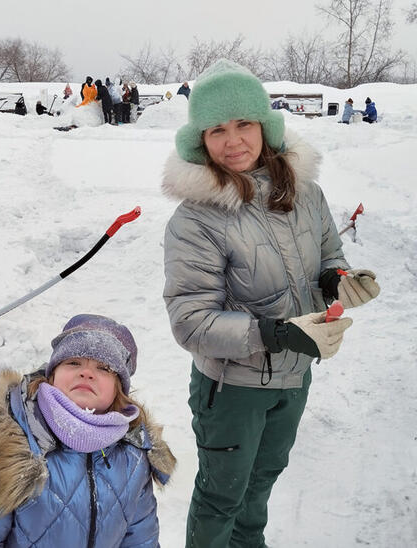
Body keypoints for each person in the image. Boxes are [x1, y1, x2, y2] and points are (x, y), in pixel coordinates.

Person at [162, 59, 380, 548]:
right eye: (217, 129)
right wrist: (274, 333)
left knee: (261, 483)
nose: (233, 139)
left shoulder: (307, 194)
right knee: (223, 495)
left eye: (243, 123)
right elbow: (190, 321)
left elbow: (330, 254)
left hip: (294, 376)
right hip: (232, 388)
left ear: (265, 126)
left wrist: (339, 281)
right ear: (201, 140)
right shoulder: (194, 220)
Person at [0, 314, 176, 548]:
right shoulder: (10, 445)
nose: (86, 372)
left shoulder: (134, 454)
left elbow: (139, 537)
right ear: (52, 375)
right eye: (73, 362)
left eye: (103, 368)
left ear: (118, 389)